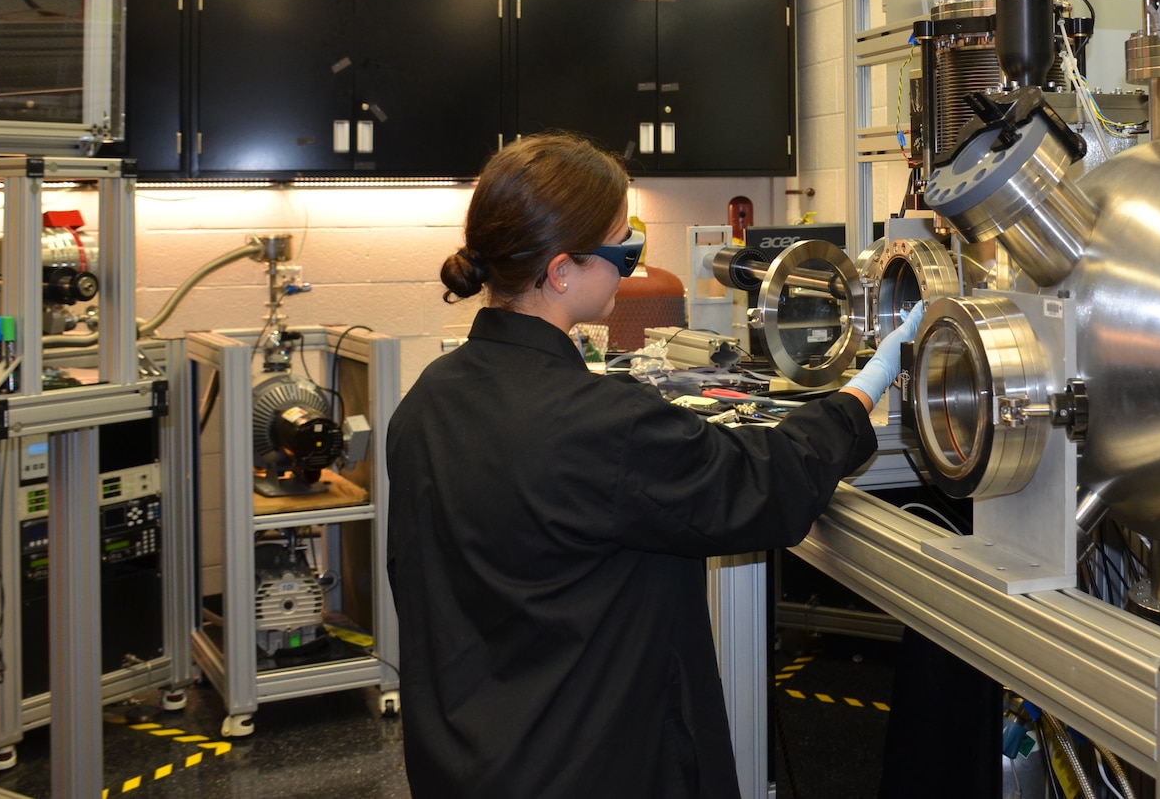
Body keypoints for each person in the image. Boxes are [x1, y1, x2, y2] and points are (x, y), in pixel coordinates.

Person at [387, 132, 921, 798]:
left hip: (464, 762)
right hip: (593, 766)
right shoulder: (606, 424)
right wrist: (866, 384)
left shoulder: (426, 401)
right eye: (624, 251)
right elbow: (765, 484)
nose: (633, 269)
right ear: (560, 271)